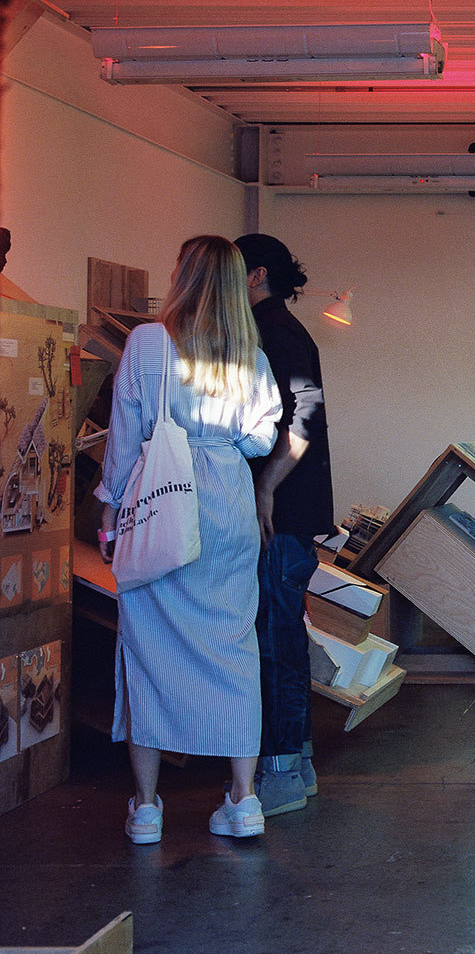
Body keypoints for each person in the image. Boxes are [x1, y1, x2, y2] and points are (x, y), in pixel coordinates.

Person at [96, 235, 282, 844]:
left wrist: (108, 519)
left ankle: (147, 808)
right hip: (227, 503)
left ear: (184, 275)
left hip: (160, 501)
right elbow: (260, 440)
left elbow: (124, 443)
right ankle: (243, 799)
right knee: (234, 649)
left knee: (149, 650)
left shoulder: (149, 342)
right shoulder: (249, 353)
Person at [235, 233, 337, 818]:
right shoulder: (275, 331)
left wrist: (266, 484)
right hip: (288, 510)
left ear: (256, 276)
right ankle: (294, 762)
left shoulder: (276, 333)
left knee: (276, 636)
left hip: (283, 512)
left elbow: (306, 413)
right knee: (281, 632)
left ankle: (281, 772)